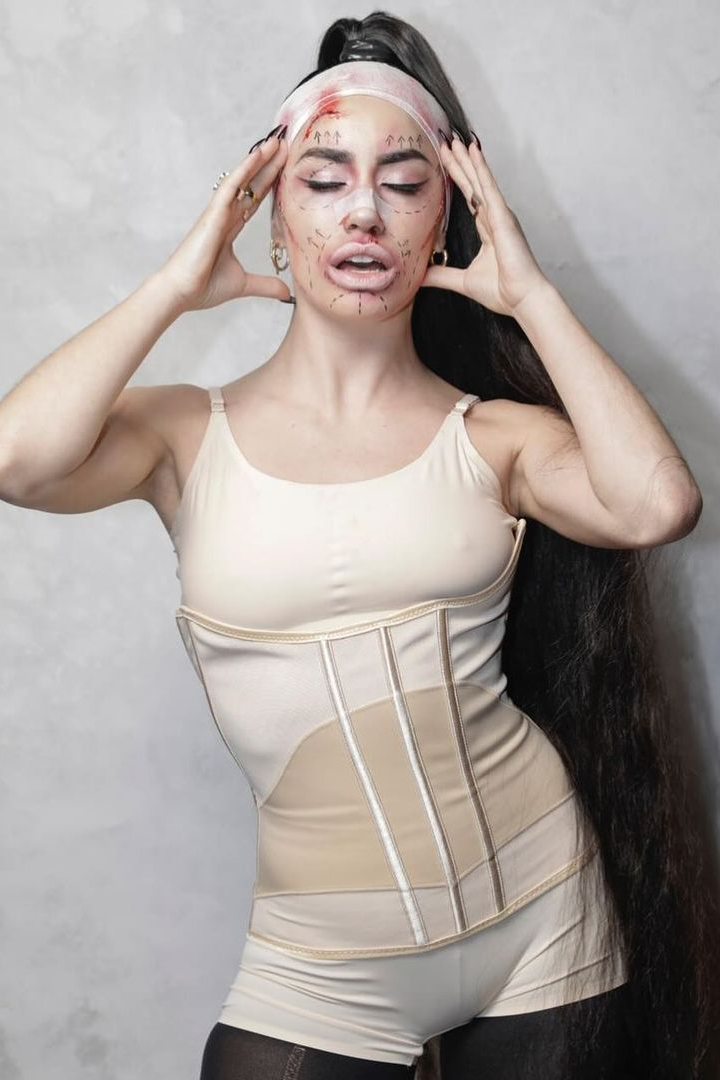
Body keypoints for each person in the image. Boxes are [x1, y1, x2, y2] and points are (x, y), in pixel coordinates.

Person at [1, 11, 718, 1080]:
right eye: (324, 177)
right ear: (270, 214)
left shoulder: (494, 438)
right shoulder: (182, 436)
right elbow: (17, 459)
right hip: (320, 969)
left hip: (546, 921)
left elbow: (658, 504)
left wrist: (530, 294)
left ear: (445, 221)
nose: (365, 212)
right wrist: (173, 286)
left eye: (405, 180)